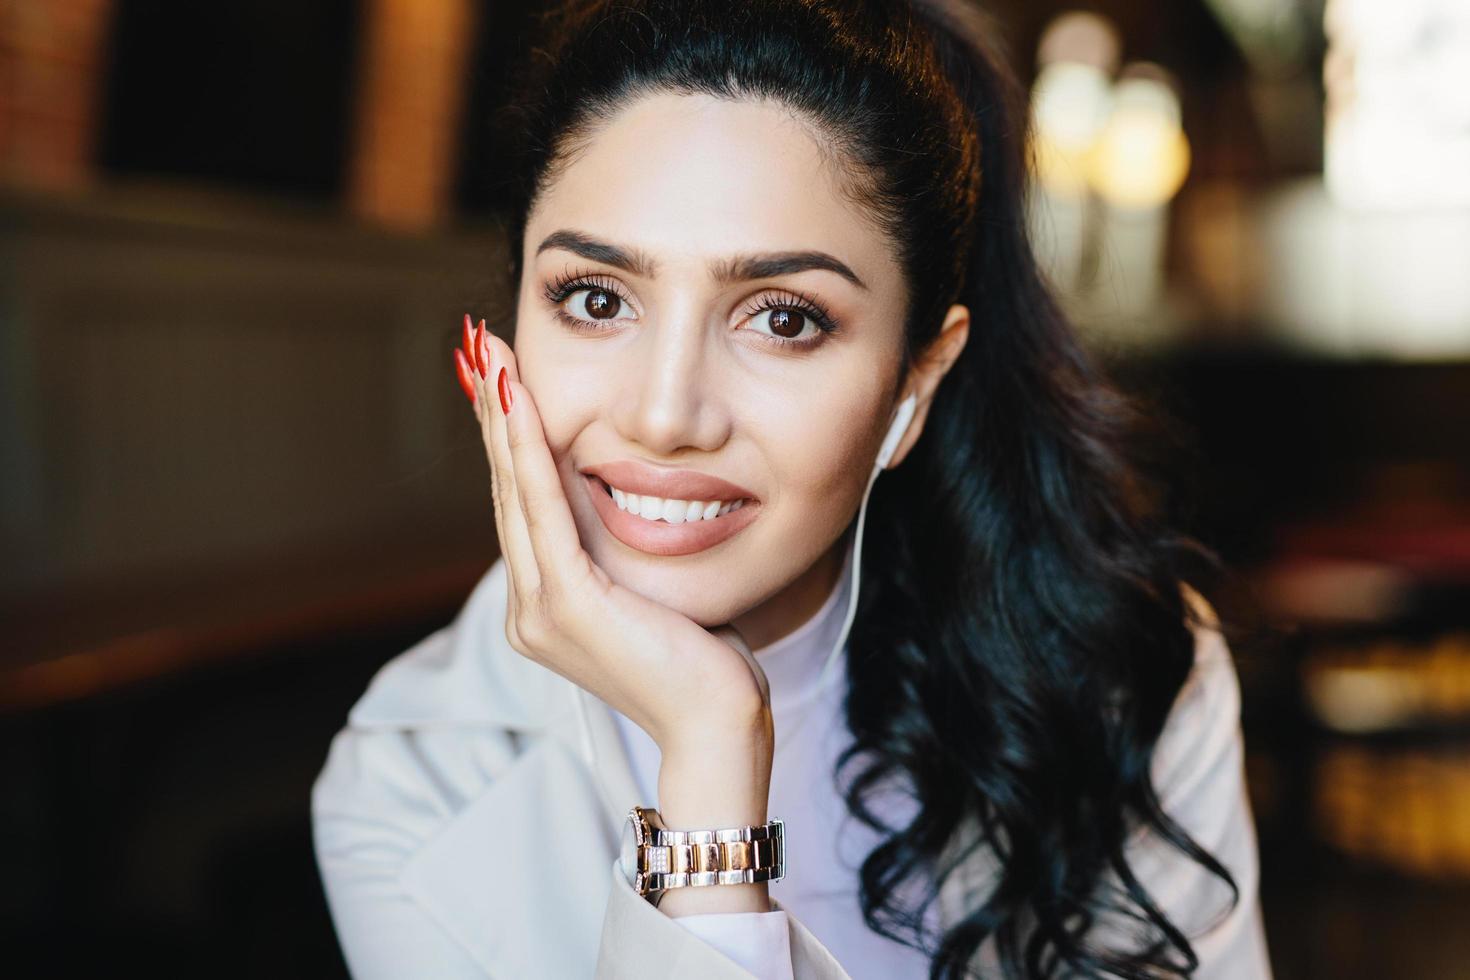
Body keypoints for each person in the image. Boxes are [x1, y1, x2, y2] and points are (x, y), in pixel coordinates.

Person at [310, 0, 1273, 977]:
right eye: (596, 299)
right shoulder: (412, 776)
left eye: (782, 318)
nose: (665, 412)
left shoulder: (1128, 670)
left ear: (916, 379)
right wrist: (707, 751)